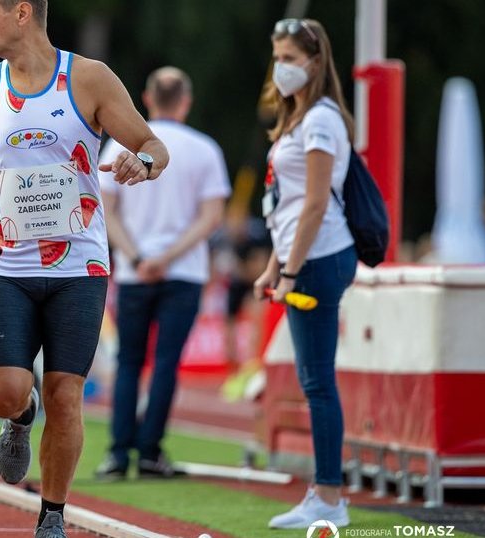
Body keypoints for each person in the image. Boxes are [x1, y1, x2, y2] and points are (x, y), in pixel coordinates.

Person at [0, 1, 169, 535]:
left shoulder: (88, 78)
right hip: (7, 262)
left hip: (79, 264)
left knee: (67, 393)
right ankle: (19, 417)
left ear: (21, 13)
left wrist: (142, 162)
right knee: (4, 391)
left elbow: (154, 145)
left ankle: (52, 516)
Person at [93, 67, 230, 480]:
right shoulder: (205, 149)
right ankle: (151, 451)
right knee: (167, 362)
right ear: (186, 101)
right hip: (183, 270)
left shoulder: (122, 144)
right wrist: (169, 257)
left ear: (147, 98)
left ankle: (118, 453)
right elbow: (211, 218)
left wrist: (136, 257)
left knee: (130, 361)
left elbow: (105, 209)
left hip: (136, 272)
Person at [253, 18, 356, 529]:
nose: (282, 68)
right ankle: (326, 491)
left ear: (315, 64)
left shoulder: (319, 119)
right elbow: (287, 203)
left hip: (319, 257)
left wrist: (289, 270)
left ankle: (330, 496)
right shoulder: (300, 118)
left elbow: (315, 203)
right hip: (303, 256)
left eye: (291, 59)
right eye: (278, 57)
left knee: (318, 382)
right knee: (314, 379)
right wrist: (275, 265)